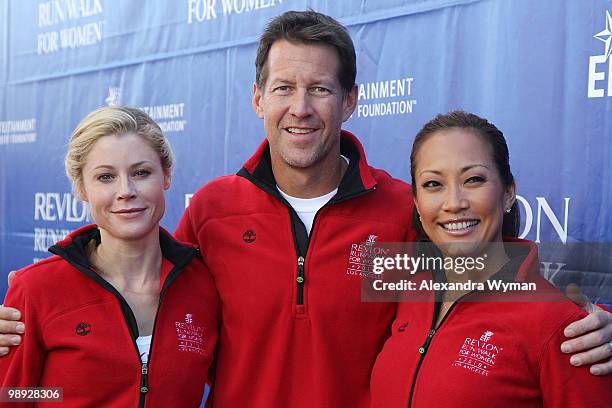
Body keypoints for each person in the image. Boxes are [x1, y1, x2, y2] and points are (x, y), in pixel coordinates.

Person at [0, 11, 611, 408]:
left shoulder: (402, 210)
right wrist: (32, 307)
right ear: (258, 97)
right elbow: (136, 294)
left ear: (348, 101)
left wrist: (592, 319)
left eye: (319, 89)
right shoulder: (214, 211)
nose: (301, 107)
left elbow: (484, 291)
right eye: (285, 88)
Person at [369, 111, 612, 407]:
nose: (454, 203)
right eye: (434, 184)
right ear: (417, 203)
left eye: (473, 179)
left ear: (508, 193)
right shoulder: (406, 293)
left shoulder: (562, 325)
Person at [0, 107, 219, 407]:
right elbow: (11, 395)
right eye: (105, 177)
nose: (125, 191)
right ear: (81, 188)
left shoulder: (205, 285)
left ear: (166, 175)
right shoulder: (37, 288)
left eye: (141, 173)